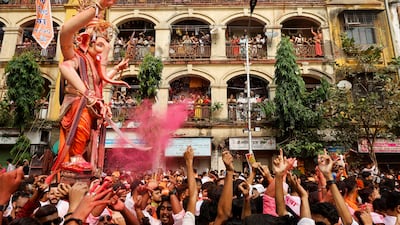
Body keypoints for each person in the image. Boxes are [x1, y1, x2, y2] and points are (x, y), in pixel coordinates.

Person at [53, 0, 132, 173]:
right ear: (85, 41)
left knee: (90, 138)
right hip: (78, 104)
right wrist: (96, 8)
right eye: (99, 45)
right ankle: (75, 158)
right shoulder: (76, 57)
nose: (102, 52)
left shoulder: (93, 65)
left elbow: (100, 80)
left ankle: (84, 161)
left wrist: (117, 70)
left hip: (92, 108)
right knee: (81, 129)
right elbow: (65, 38)